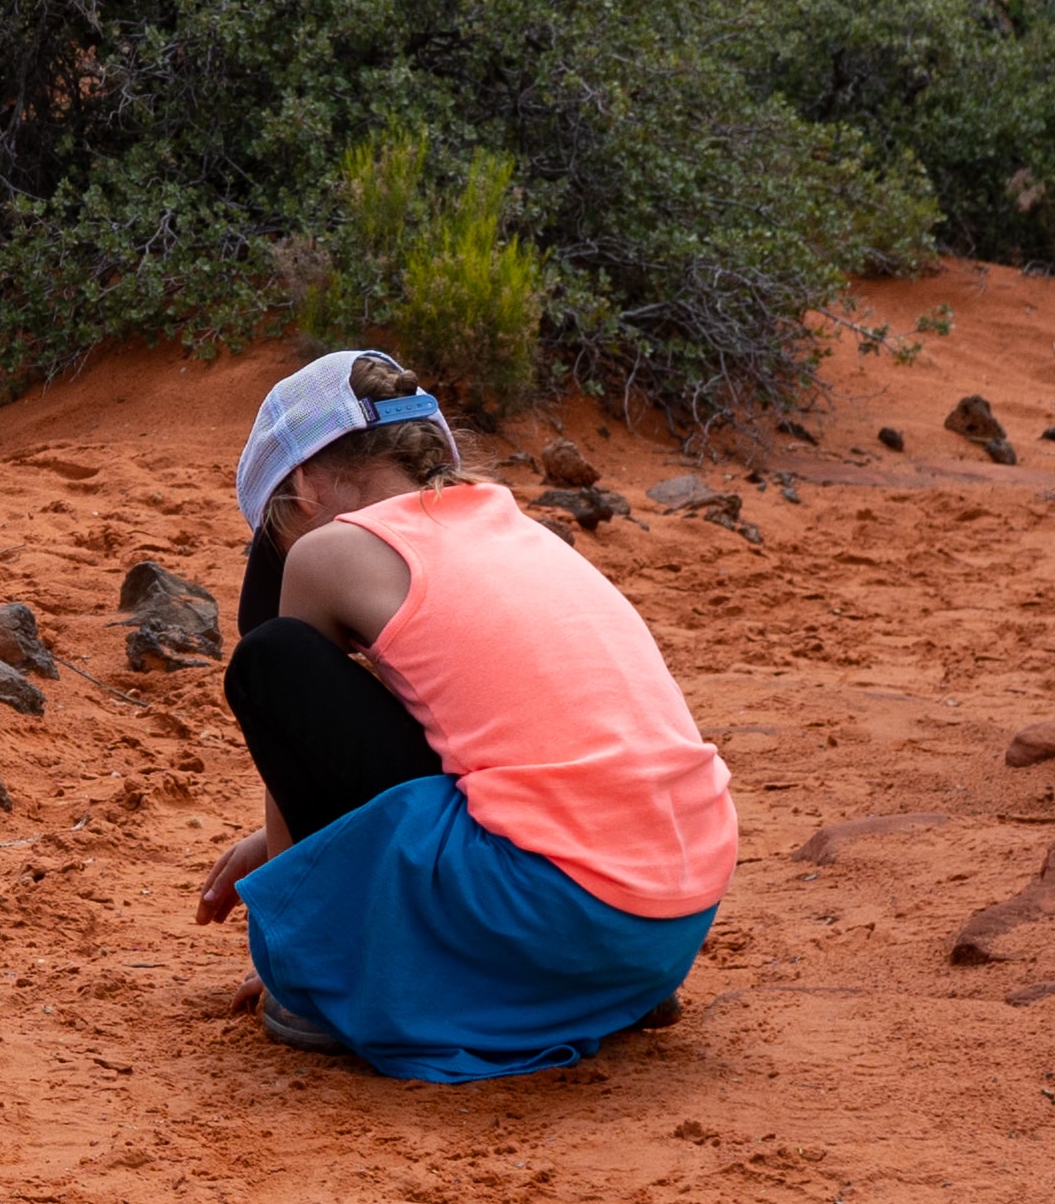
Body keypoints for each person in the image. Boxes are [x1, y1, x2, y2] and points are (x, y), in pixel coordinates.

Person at [191, 346, 732, 1076]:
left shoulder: (331, 553)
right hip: (669, 920)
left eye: (279, 533)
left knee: (272, 660)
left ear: (304, 487)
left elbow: (298, 720)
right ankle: (584, 994)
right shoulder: (519, 533)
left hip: (558, 912)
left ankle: (342, 992)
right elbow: (484, 728)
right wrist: (264, 840)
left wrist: (297, 954)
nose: (290, 556)